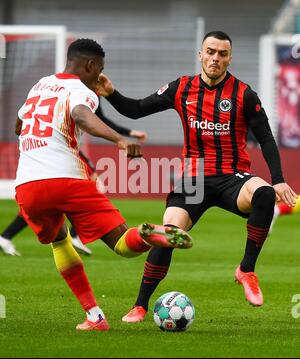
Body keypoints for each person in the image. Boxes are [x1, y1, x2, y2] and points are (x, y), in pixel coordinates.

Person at [96, 30, 297, 322]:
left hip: (233, 176)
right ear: (200, 54)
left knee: (265, 192)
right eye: (211, 52)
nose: (216, 58)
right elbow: (137, 110)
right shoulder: (181, 88)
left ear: (229, 59)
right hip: (194, 178)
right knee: (169, 233)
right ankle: (140, 304)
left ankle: (246, 270)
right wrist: (112, 94)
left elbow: (266, 138)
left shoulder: (244, 94)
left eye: (222, 54)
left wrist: (278, 178)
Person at [14, 38, 192, 331]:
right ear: (90, 65)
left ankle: (94, 316)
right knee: (123, 245)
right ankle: (149, 235)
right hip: (67, 178)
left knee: (60, 240)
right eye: (100, 69)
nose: (100, 75)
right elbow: (82, 117)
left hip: (28, 185)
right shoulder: (82, 91)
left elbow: (19, 126)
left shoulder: (39, 85)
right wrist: (119, 139)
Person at [0, 105, 147, 257]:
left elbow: (99, 120)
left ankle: (7, 236)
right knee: (65, 196)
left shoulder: (83, 93)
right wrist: (123, 137)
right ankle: (75, 236)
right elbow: (95, 121)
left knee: (43, 204)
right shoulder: (79, 92)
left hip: (50, 157)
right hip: (55, 153)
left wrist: (128, 133)